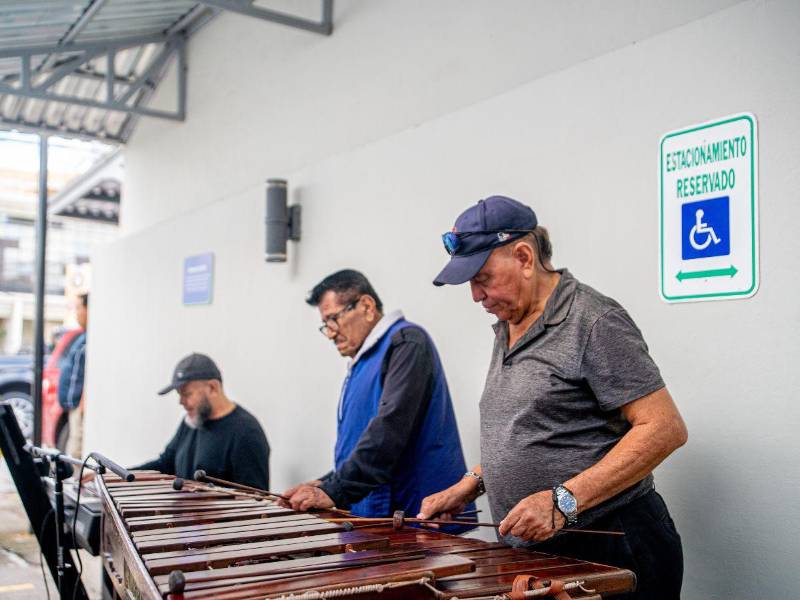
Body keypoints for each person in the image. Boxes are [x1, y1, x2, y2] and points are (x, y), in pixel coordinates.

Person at [419, 195, 688, 599]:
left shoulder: (593, 320)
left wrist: (563, 502)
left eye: (482, 277)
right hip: (539, 556)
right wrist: (473, 483)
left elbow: (664, 428)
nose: (476, 295)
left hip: (612, 549)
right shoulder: (509, 323)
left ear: (524, 257)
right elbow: (535, 430)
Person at [282, 269, 475, 527]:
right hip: (374, 519)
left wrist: (334, 490)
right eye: (325, 325)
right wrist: (327, 482)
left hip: (416, 521)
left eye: (333, 320)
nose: (330, 333)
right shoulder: (363, 360)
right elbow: (361, 440)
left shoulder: (406, 343)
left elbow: (390, 430)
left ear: (366, 306)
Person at [132, 353, 270, 489]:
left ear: (212, 388)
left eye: (186, 394)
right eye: (179, 395)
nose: (181, 402)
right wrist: (121, 476)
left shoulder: (246, 433)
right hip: (183, 511)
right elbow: (165, 464)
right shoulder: (192, 421)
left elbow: (257, 501)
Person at [58, 293, 88, 458]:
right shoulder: (82, 336)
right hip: (73, 405)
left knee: (76, 449)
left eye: (79, 308)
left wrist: (84, 401)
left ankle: (78, 483)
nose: (77, 313)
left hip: (80, 404)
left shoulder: (92, 338)